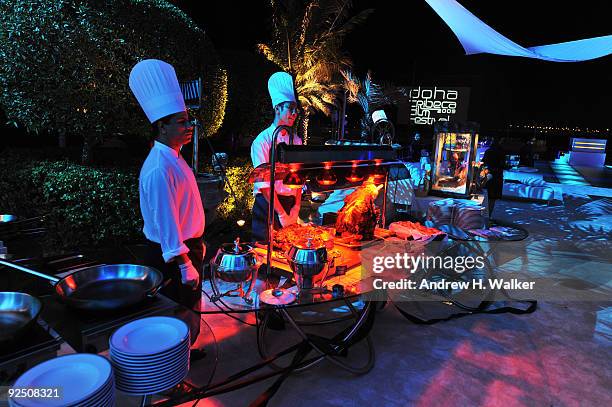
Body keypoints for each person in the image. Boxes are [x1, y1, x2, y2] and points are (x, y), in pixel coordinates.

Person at [129, 59, 205, 337]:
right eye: (182, 122)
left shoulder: (173, 156)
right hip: (172, 256)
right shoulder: (159, 167)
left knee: (188, 311)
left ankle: (185, 354)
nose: (189, 127)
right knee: (176, 314)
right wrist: (184, 263)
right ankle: (175, 365)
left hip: (186, 248)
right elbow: (165, 219)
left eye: (189, 121)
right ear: (162, 126)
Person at [251, 72, 302, 242]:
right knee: (265, 252)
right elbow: (264, 185)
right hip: (267, 206)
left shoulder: (296, 140)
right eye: (290, 108)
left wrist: (296, 208)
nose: (294, 113)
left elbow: (299, 177)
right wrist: (280, 213)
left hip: (290, 204)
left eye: (296, 109)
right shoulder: (262, 141)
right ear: (277, 108)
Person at [482, 137, 506, 218]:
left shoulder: (488, 151)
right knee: (492, 198)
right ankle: (488, 216)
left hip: (488, 175)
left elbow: (483, 162)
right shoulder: (501, 151)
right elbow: (503, 165)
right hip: (497, 176)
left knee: (486, 196)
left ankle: (483, 215)